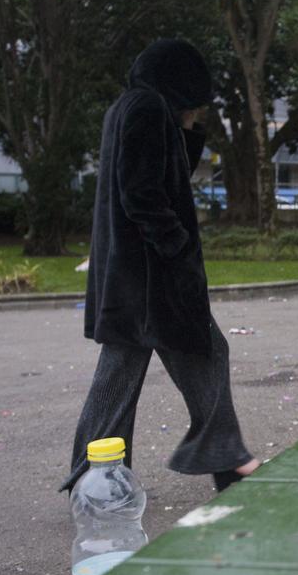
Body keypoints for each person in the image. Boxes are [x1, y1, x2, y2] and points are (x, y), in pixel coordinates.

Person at [60, 39, 259, 494]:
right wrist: (176, 245)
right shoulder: (147, 108)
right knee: (202, 354)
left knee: (122, 376)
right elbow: (142, 192)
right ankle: (223, 459)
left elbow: (162, 171)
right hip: (152, 277)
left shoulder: (130, 108)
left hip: (130, 276)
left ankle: (93, 476)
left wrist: (186, 126)